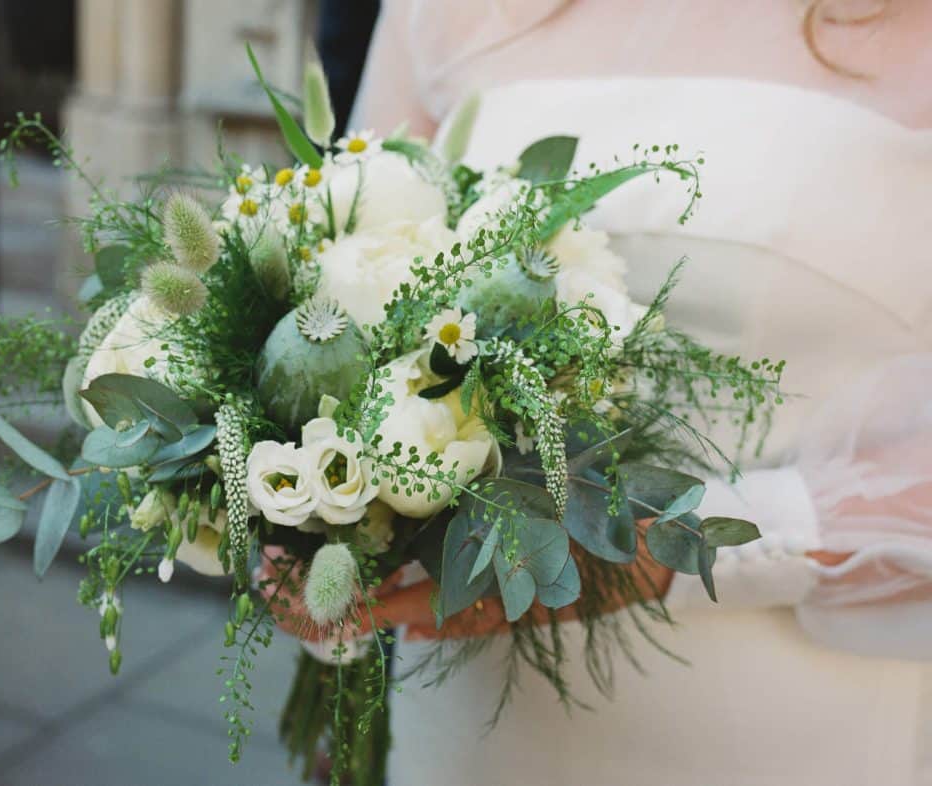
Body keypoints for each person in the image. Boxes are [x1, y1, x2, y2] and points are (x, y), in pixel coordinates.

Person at [279, 2, 932, 783]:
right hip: (464, 703)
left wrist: (664, 551)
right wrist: (293, 502)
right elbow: (344, 269)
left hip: (789, 699)